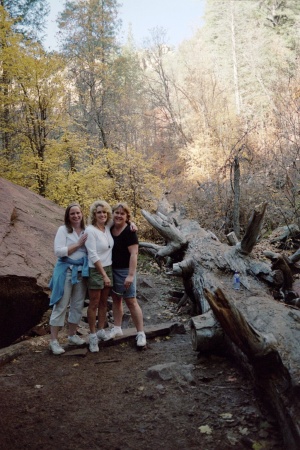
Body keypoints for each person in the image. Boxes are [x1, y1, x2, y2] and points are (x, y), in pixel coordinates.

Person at [48, 203, 88, 355]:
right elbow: (58, 251)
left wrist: (131, 224)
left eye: (78, 213)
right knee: (61, 304)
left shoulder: (86, 230)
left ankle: (72, 335)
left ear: (82, 214)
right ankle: (54, 341)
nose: (76, 216)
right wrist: (77, 244)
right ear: (68, 216)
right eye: (72, 214)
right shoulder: (63, 230)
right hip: (66, 270)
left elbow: (106, 226)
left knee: (77, 304)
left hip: (81, 272)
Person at [110, 202, 147, 347]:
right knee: (116, 299)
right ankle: (117, 328)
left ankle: (141, 333)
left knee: (131, 301)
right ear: (112, 214)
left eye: (122, 213)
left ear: (127, 216)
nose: (119, 215)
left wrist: (131, 275)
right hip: (111, 269)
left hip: (125, 270)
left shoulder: (130, 232)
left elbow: (134, 254)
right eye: (116, 213)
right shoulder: (109, 228)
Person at [85, 200, 114, 352]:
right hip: (96, 270)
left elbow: (124, 219)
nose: (102, 214)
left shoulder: (107, 227)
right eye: (99, 212)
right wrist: (104, 275)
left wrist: (133, 225)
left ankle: (101, 330)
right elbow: (92, 254)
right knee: (94, 303)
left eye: (104, 212)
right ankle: (93, 336)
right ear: (94, 215)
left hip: (108, 267)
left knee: (104, 302)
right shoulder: (90, 231)